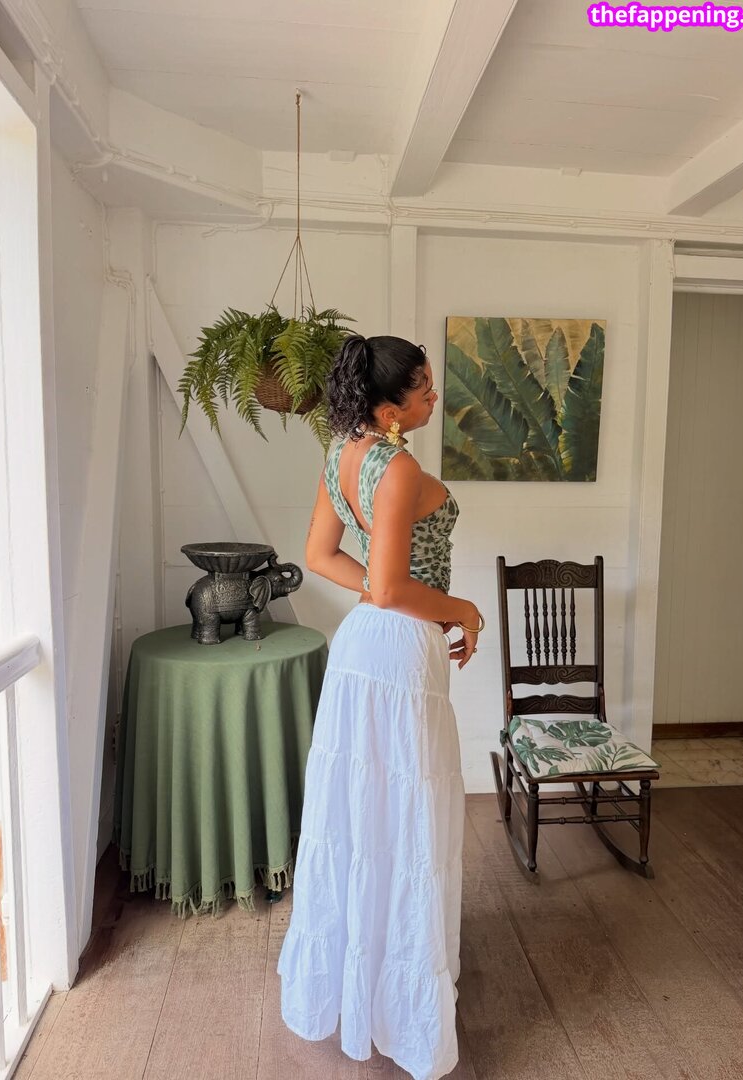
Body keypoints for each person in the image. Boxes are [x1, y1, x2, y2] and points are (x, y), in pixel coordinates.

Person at [276, 334, 484, 1080]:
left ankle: (361, 987)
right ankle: (399, 1008)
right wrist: (462, 610)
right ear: (391, 409)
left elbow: (322, 555)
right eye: (423, 388)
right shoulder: (398, 470)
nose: (434, 395)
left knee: (364, 817)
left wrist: (381, 589)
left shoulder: (342, 453)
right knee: (401, 820)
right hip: (399, 653)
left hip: (365, 647)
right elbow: (393, 587)